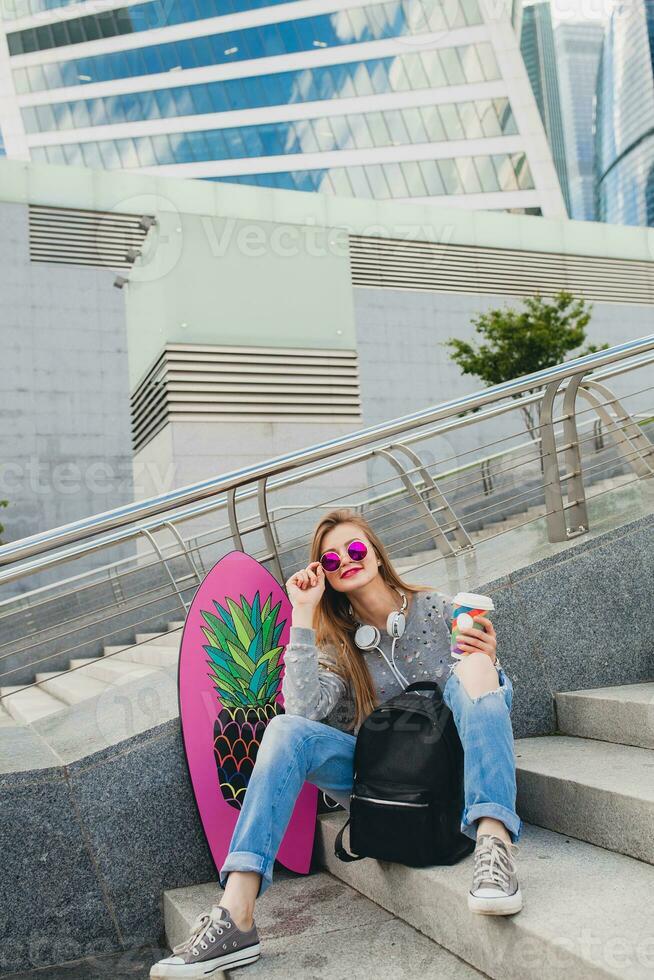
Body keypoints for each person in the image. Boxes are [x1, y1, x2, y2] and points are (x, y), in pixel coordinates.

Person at [150, 509, 522, 978]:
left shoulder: (439, 609)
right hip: (390, 778)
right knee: (284, 730)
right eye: (331, 559)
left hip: (457, 767)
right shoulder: (336, 644)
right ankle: (236, 914)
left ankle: (494, 845)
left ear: (378, 555)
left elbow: (491, 704)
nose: (346, 560)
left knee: (475, 670)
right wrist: (303, 614)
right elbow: (302, 714)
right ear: (323, 573)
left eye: (356, 549)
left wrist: (488, 663)